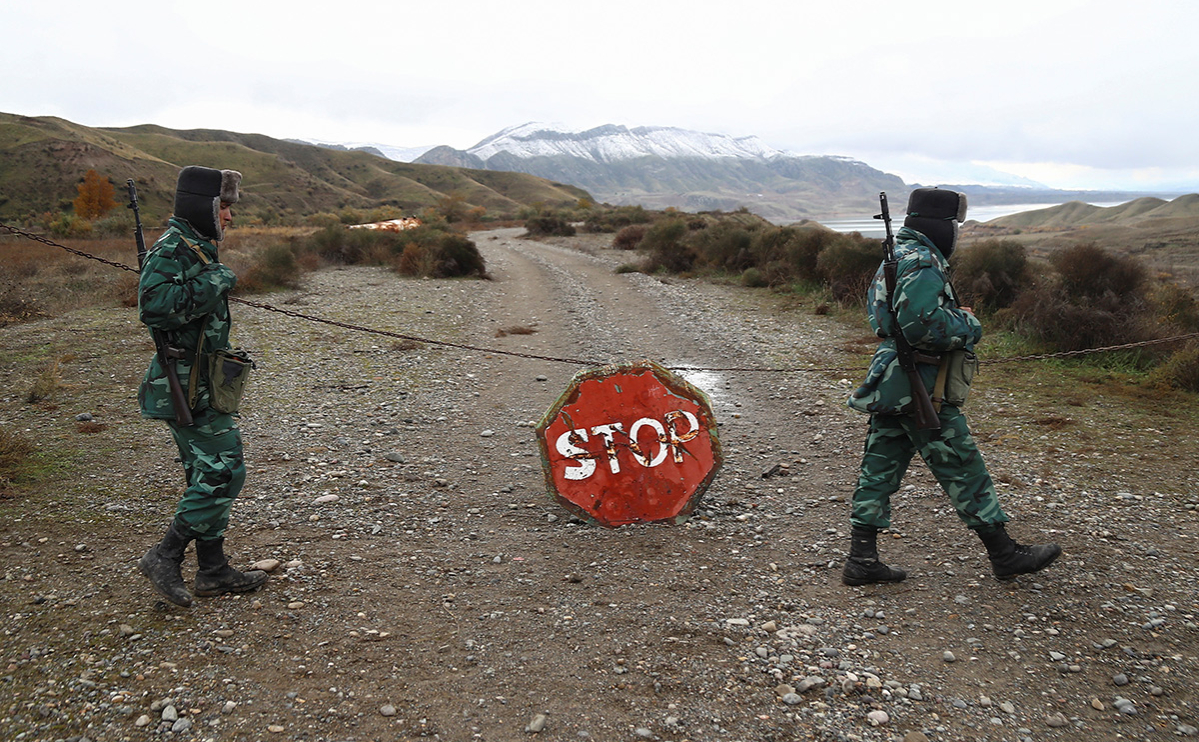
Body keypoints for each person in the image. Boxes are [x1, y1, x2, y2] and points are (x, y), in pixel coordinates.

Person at [842, 187, 1061, 586]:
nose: (956, 234)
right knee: (961, 464)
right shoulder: (924, 261)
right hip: (922, 382)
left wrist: (946, 315)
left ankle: (862, 558)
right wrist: (968, 323)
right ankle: (1004, 553)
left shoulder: (897, 257)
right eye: (955, 226)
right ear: (940, 227)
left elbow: (884, 320)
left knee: (879, 467)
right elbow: (922, 325)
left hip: (893, 379)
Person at [137, 166, 268, 607]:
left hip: (205, 382)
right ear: (203, 206)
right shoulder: (173, 249)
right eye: (225, 207)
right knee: (223, 471)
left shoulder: (197, 246)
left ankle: (212, 570)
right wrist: (219, 278)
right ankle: (164, 555)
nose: (230, 217)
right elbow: (154, 307)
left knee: (203, 473)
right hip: (185, 383)